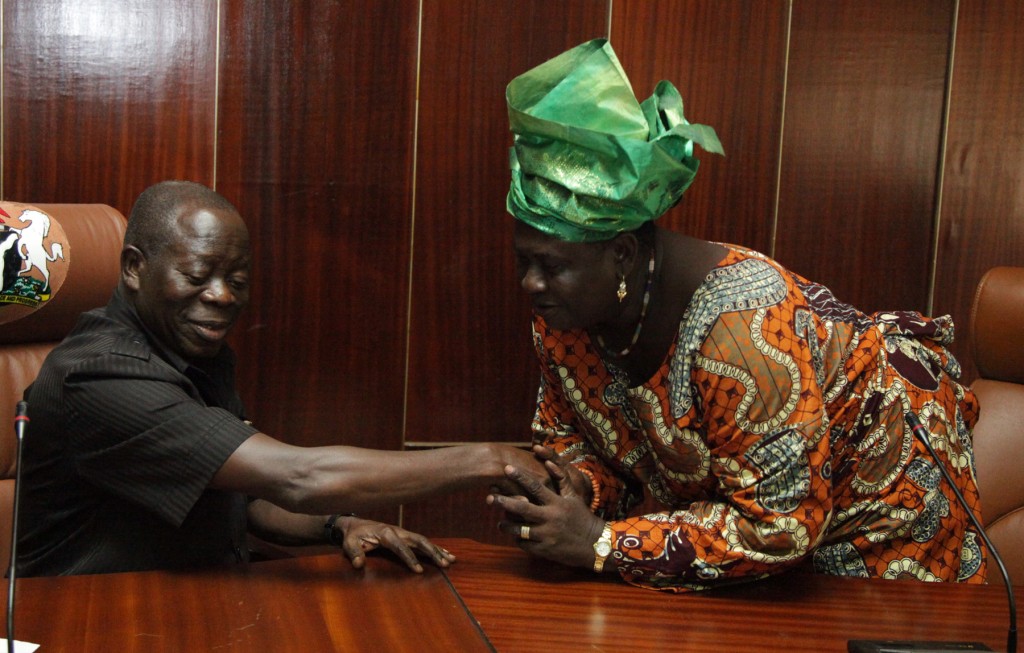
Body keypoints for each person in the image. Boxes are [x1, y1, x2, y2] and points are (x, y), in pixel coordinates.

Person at [487, 39, 987, 592]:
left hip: (882, 511)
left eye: (552, 266)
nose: (531, 283)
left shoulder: (746, 330)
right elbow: (578, 439)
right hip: (749, 537)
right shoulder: (566, 314)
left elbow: (778, 528)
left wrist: (601, 542)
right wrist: (576, 488)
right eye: (523, 260)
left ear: (623, 253)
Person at [17, 180, 546, 576]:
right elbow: (297, 476)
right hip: (92, 620)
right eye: (198, 276)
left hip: (195, 606)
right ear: (134, 268)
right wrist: (489, 459)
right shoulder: (100, 378)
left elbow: (242, 498)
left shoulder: (187, 349)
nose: (223, 296)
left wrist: (339, 524)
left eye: (237, 279)